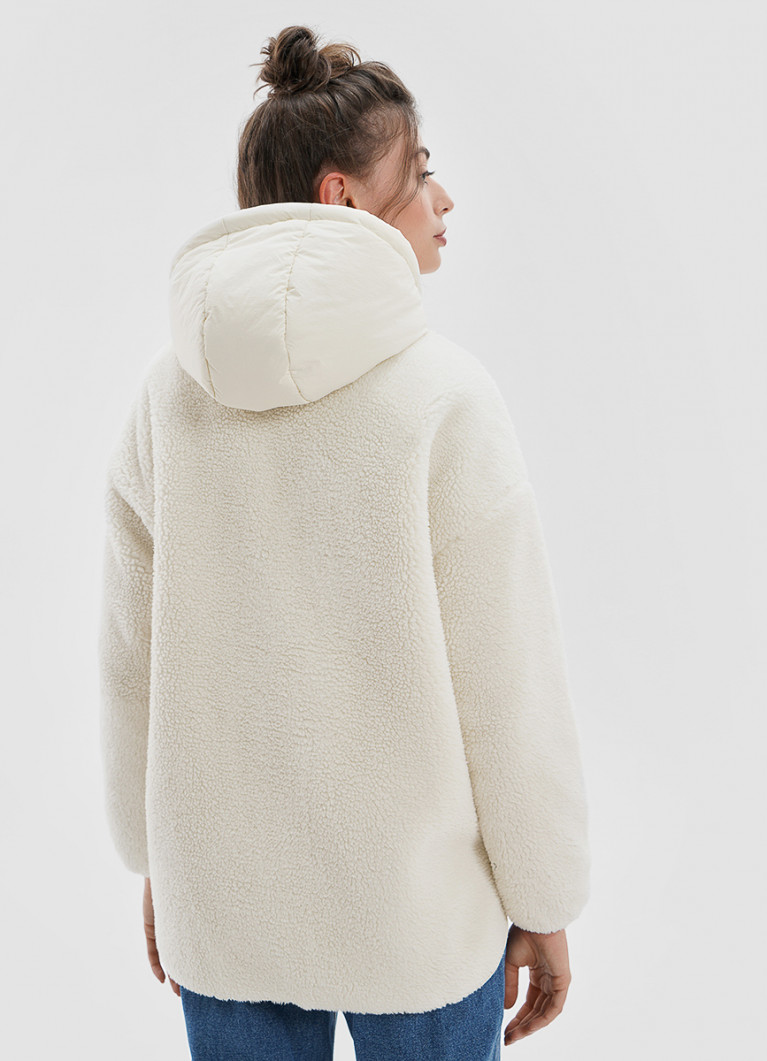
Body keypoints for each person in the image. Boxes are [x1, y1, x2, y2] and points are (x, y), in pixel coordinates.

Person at [98, 23, 591, 1061]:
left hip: (225, 910)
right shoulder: (444, 397)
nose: (442, 199)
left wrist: (156, 863)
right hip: (420, 925)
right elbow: (506, 682)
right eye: (421, 170)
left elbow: (130, 663)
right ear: (344, 197)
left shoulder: (164, 399)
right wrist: (542, 895)